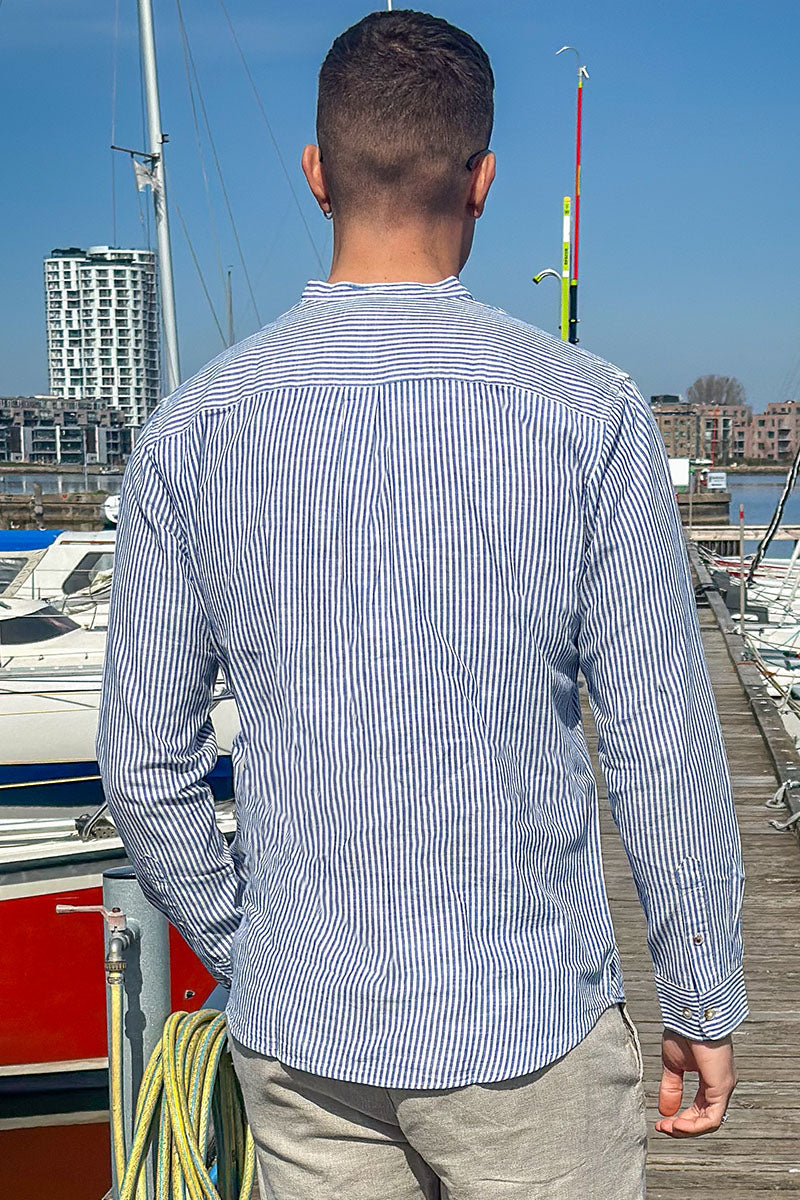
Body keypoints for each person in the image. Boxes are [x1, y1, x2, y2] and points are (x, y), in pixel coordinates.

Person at [97, 10, 746, 1198]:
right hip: (527, 1027)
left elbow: (144, 768)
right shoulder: (586, 413)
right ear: (481, 180)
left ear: (316, 173)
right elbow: (658, 743)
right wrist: (699, 992)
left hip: (303, 1037)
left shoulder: (192, 429)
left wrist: (253, 948)